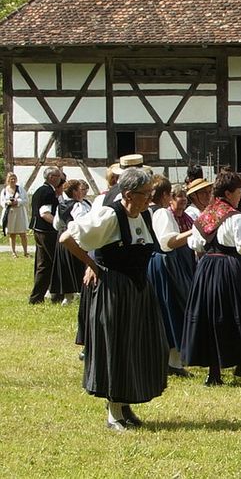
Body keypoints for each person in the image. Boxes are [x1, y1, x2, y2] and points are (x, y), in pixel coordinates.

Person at [58, 167, 168, 431]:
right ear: (128, 194)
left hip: (138, 290)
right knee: (117, 348)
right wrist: (92, 264)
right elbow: (66, 238)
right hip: (115, 291)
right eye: (145, 194)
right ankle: (113, 414)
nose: (149, 199)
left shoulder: (143, 215)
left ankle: (126, 405)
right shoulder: (109, 215)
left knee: (138, 347)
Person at [181, 171, 241, 385]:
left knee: (212, 318)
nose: (240, 196)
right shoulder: (236, 218)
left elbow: (196, 245)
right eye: (238, 192)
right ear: (227, 193)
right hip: (233, 269)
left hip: (208, 268)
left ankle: (214, 372)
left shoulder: (205, 214)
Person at [147, 180, 196, 376]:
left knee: (172, 308)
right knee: (173, 308)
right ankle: (172, 363)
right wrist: (195, 229)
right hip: (167, 264)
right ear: (166, 195)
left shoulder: (156, 212)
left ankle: (172, 361)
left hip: (169, 263)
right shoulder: (161, 213)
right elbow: (167, 242)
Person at [29, 166, 66, 304]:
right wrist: (60, 225)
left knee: (43, 265)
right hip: (47, 232)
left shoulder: (40, 190)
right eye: (58, 177)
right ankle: (57, 296)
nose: (60, 179)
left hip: (39, 231)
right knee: (56, 263)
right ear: (51, 177)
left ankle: (36, 298)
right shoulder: (48, 192)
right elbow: (45, 213)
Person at [52, 180, 90, 301]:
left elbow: (56, 224)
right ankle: (80, 293)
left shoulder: (60, 206)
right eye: (80, 189)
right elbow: (81, 222)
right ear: (74, 192)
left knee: (65, 266)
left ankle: (68, 296)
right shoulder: (77, 206)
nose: (82, 192)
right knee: (78, 264)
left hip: (62, 236)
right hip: (74, 237)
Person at [2, 172, 29, 257]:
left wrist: (18, 202)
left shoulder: (21, 189)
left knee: (23, 234)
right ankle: (13, 252)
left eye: (14, 178)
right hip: (10, 214)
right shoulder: (4, 190)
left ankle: (25, 252)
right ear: (8, 180)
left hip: (19, 213)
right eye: (11, 179)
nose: (13, 180)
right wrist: (8, 203)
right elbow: (2, 202)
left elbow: (26, 200)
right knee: (12, 234)